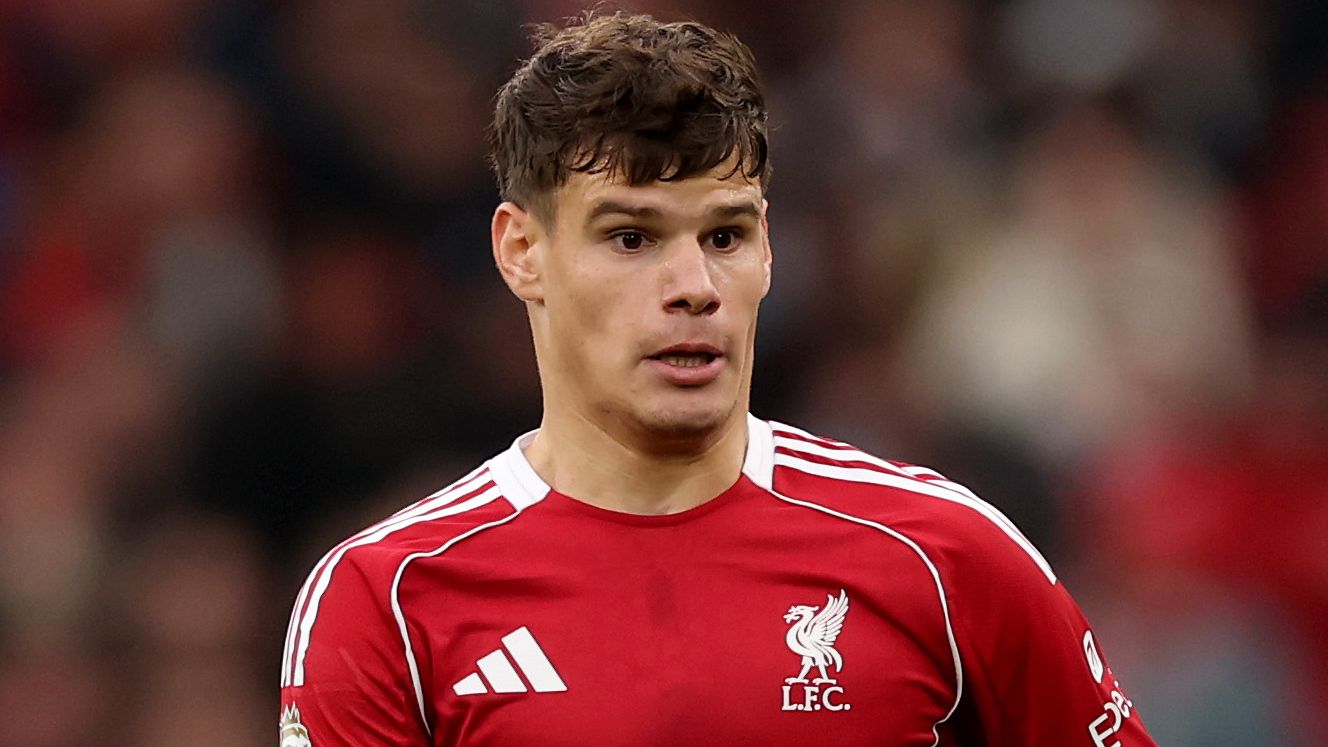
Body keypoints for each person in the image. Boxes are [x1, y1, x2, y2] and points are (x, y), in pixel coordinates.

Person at [278, 12, 1157, 746]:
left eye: (725, 236)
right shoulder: (389, 600)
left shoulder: (944, 555)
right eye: (631, 237)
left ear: (768, 248)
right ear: (521, 252)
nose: (695, 286)